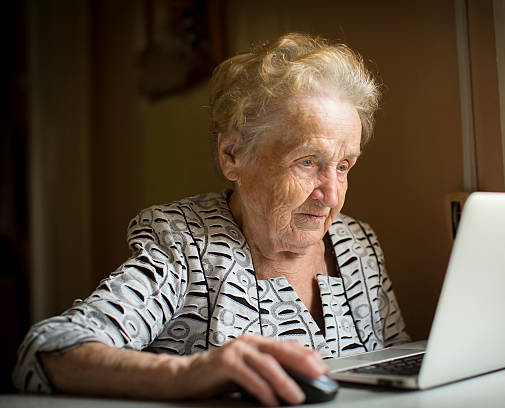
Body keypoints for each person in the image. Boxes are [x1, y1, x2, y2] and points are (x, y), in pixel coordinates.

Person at [13, 32, 410, 406]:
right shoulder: (185, 245)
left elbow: (400, 364)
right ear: (232, 155)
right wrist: (188, 372)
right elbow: (51, 349)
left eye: (343, 166)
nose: (332, 195)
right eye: (307, 162)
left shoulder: (357, 244)